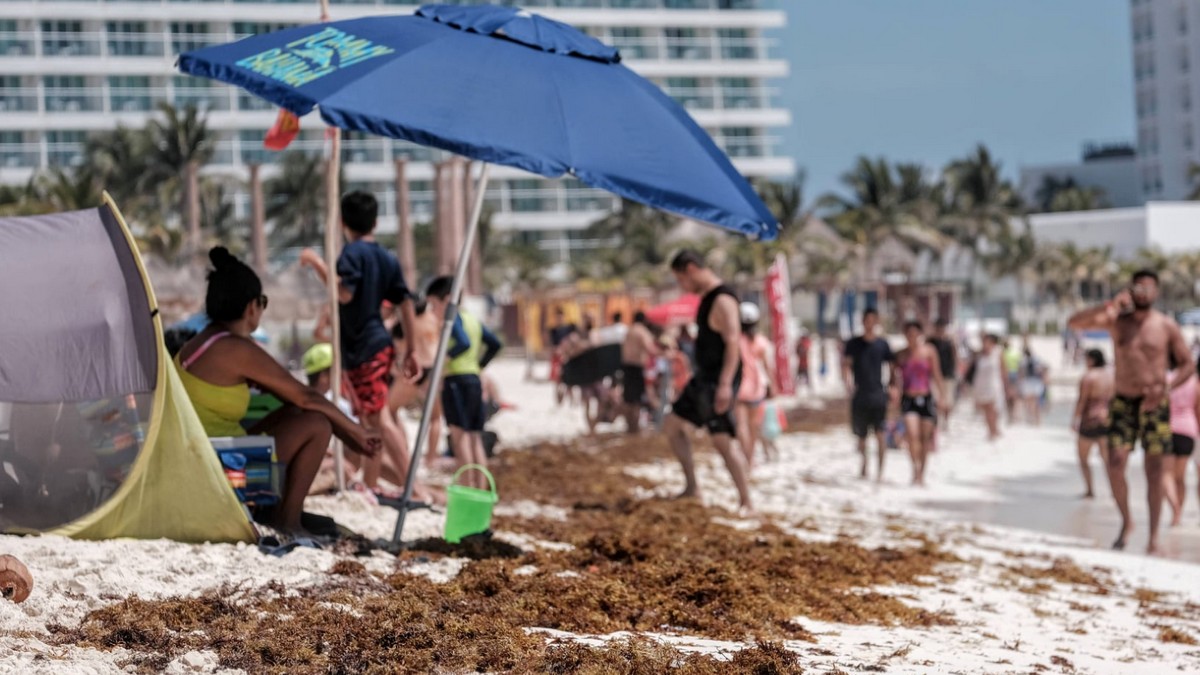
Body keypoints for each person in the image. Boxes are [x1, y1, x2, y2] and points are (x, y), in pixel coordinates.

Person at [176, 248, 380, 533]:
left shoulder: (200, 344)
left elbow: (294, 399)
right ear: (251, 307)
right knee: (316, 424)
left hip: (200, 459)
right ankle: (288, 520)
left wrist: (348, 432)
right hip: (219, 470)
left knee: (298, 412)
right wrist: (356, 431)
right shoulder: (236, 348)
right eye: (263, 303)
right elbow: (306, 395)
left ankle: (276, 510)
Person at [299, 191, 425, 502]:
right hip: (377, 345)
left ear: (342, 222)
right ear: (376, 222)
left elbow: (343, 294)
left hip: (363, 348)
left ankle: (413, 486)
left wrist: (317, 263)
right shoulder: (387, 258)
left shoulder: (351, 255)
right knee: (371, 420)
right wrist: (411, 349)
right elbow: (405, 303)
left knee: (379, 418)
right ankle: (371, 485)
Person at [1068, 269, 1193, 553]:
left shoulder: (1165, 326)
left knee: (1154, 470)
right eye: (1139, 289)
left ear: (1157, 292)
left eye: (1149, 289)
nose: (1144, 294)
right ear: (1132, 290)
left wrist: (1167, 390)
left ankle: (1153, 538)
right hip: (1123, 400)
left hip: (1155, 401)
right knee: (1114, 463)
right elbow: (1074, 322)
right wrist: (1109, 305)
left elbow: (1187, 365)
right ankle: (1127, 521)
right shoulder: (1117, 322)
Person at [662, 250, 752, 513]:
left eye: (681, 279)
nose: (682, 286)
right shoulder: (707, 298)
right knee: (672, 424)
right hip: (703, 377)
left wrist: (725, 385)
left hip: (717, 380)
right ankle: (692, 487)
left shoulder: (723, 299)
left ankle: (746, 501)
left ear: (691, 269)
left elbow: (733, 342)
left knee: (722, 440)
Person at [425, 276, 503, 490]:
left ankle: (467, 486)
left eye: (434, 305)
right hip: (473, 379)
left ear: (447, 300)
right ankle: (481, 486)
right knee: (475, 437)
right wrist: (479, 365)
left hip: (456, 381)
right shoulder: (472, 319)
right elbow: (495, 344)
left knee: (459, 437)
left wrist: (445, 358)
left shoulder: (454, 319)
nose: (432, 311)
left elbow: (463, 342)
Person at [841, 308, 895, 482]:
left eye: (873, 320)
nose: (870, 324)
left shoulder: (882, 344)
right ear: (863, 322)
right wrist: (848, 384)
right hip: (860, 394)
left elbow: (892, 367)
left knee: (880, 434)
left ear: (876, 322)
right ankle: (864, 464)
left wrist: (893, 386)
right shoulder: (854, 343)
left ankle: (880, 471)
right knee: (861, 436)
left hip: (878, 394)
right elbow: (846, 365)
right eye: (867, 320)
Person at [894, 321, 945, 486]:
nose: (912, 338)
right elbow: (894, 378)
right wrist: (894, 392)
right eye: (909, 335)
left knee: (925, 438)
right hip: (908, 399)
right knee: (912, 435)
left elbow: (936, 374)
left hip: (926, 398)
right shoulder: (901, 355)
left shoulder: (929, 351)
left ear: (920, 335)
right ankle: (914, 469)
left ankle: (922, 473)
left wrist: (943, 396)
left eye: (915, 334)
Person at [735, 302, 775, 471]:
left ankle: (745, 457)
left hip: (738, 388)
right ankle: (750, 460)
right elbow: (767, 366)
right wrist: (772, 385)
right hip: (756, 388)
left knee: (741, 426)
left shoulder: (734, 340)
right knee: (753, 427)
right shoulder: (760, 341)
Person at [1071, 348, 1113, 499]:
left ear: (1092, 360)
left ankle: (1090, 490)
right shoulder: (1111, 376)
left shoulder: (1088, 377)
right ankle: (1114, 490)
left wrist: (1074, 420)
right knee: (1107, 460)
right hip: (1107, 420)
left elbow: (1082, 401)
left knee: (1083, 458)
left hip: (1090, 420)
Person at [1165, 354, 1200, 527]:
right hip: (1189, 430)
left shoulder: (1167, 379)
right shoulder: (1194, 382)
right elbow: (1197, 408)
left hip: (1168, 429)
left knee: (1166, 476)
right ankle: (1179, 510)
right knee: (1180, 477)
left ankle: (1176, 510)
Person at [619, 311, 659, 434]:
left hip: (626, 366)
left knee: (628, 399)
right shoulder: (642, 331)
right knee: (636, 400)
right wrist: (665, 352)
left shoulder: (629, 331)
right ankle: (634, 429)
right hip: (637, 366)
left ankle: (629, 427)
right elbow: (650, 349)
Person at [971, 334, 1008, 441]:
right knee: (985, 408)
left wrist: (1006, 384)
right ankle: (990, 429)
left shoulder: (998, 353)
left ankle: (994, 429)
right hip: (981, 383)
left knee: (993, 408)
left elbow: (1004, 369)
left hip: (994, 384)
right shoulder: (980, 354)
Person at [929, 319, 958, 429]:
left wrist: (956, 371)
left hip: (948, 375)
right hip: (934, 376)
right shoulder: (930, 341)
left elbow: (954, 357)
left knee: (948, 401)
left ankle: (945, 420)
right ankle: (938, 420)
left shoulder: (949, 342)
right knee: (936, 399)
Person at [547, 308, 577, 405]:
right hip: (557, 357)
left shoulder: (568, 329)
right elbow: (551, 345)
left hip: (567, 356)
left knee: (569, 381)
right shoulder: (553, 330)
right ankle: (558, 402)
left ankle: (572, 401)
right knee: (557, 381)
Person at [1018, 342, 1048, 426]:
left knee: (1029, 402)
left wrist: (1019, 382)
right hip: (1036, 382)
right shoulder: (1037, 359)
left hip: (1028, 382)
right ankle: (1037, 419)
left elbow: (1021, 372)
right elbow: (1044, 368)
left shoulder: (1023, 360)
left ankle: (1032, 418)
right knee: (1035, 402)